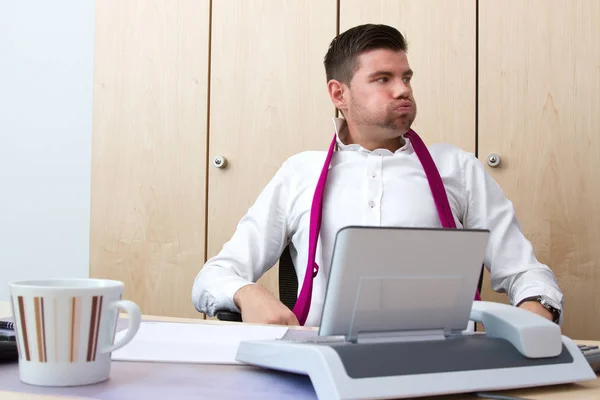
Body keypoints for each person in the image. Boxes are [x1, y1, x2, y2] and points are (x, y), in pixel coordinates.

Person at [191, 24, 563, 327]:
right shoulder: (299, 173)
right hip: (321, 369)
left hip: (441, 370)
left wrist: (535, 309)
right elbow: (214, 276)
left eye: (406, 77)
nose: (403, 89)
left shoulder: (459, 169)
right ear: (339, 93)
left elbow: (526, 272)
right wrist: (248, 293)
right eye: (383, 79)